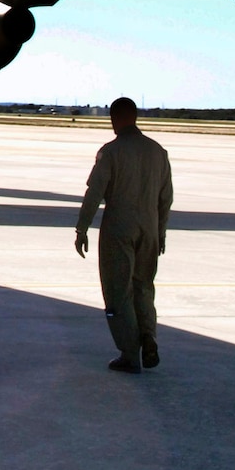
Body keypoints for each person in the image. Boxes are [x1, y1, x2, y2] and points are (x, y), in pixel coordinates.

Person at [75, 96, 173, 373]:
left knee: (118, 292)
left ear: (115, 119)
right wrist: (160, 232)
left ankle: (130, 353)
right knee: (143, 287)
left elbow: (94, 193)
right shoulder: (158, 152)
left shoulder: (111, 152)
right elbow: (166, 198)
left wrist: (82, 228)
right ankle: (149, 335)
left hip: (120, 228)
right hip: (150, 229)